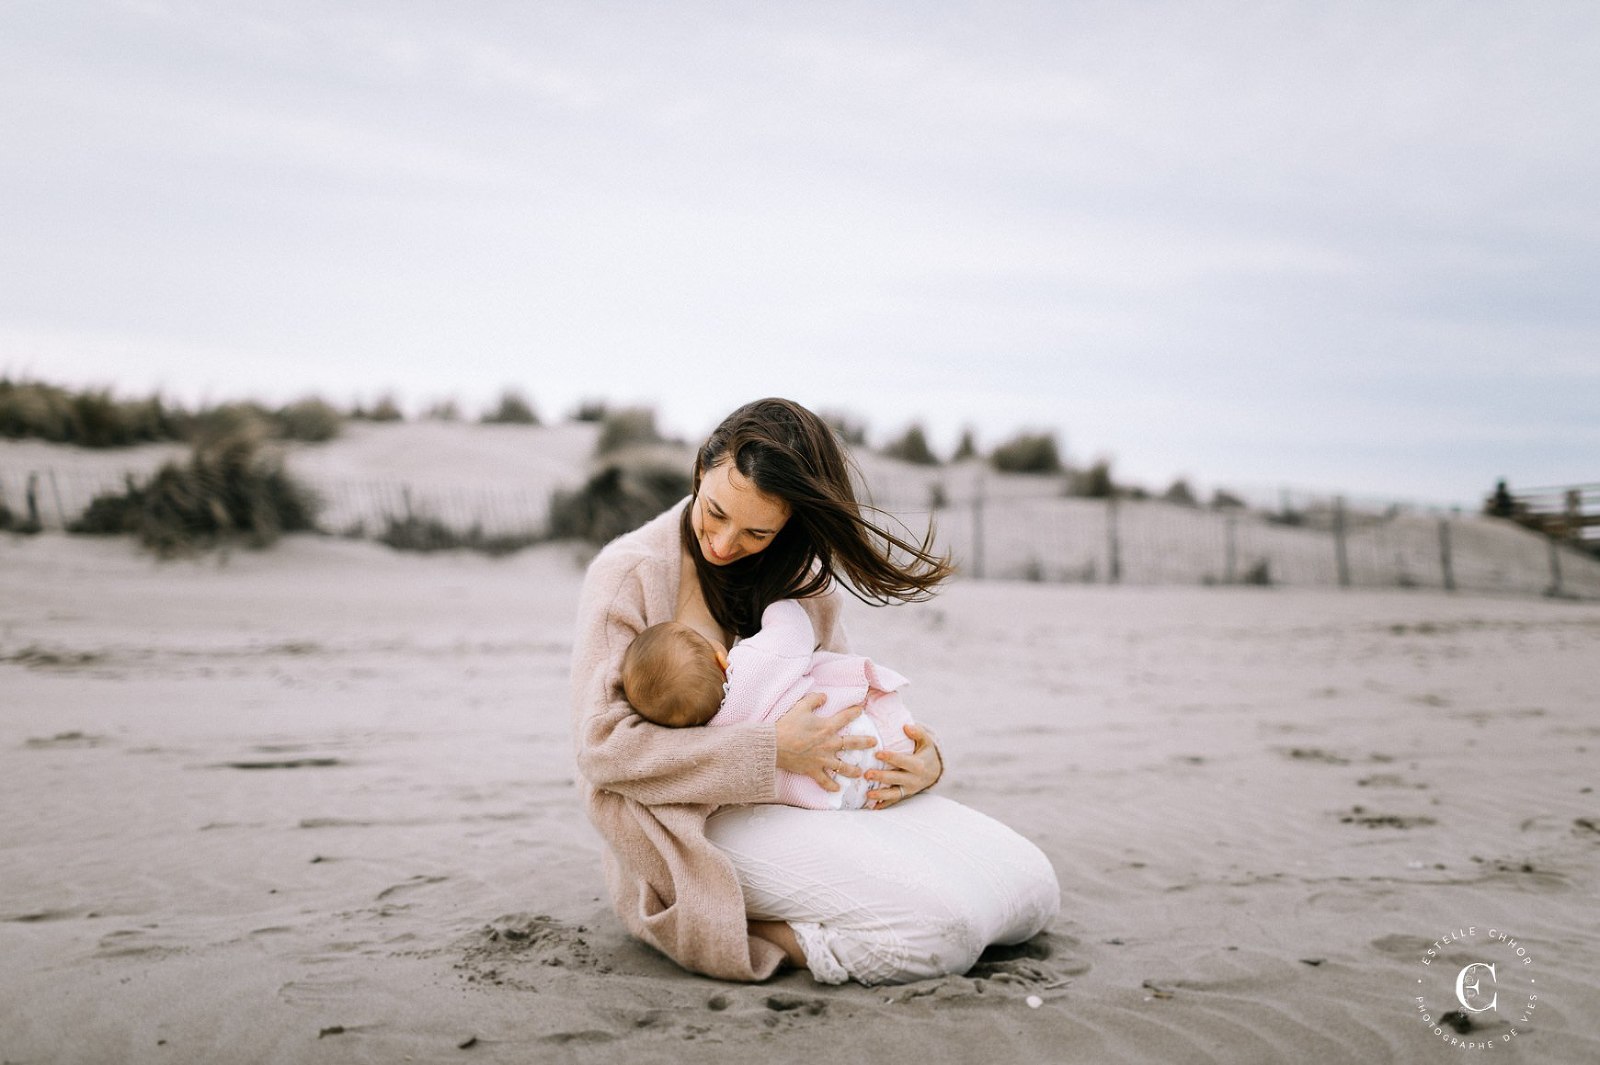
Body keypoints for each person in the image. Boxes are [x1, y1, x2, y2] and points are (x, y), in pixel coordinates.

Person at [570, 397, 1059, 985]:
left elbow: (839, 693)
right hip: (691, 821)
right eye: (715, 512)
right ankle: (751, 929)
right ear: (701, 470)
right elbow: (602, 748)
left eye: (756, 531)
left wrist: (919, 759)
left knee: (1030, 888)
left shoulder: (801, 582)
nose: (724, 544)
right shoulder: (629, 574)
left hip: (814, 796)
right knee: (944, 933)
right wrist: (770, 751)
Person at [620, 598, 916, 811]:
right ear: (720, 657)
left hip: (840, 798)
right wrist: (774, 602)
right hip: (871, 737)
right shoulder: (751, 664)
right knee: (879, 705)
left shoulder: (714, 735)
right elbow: (794, 631)